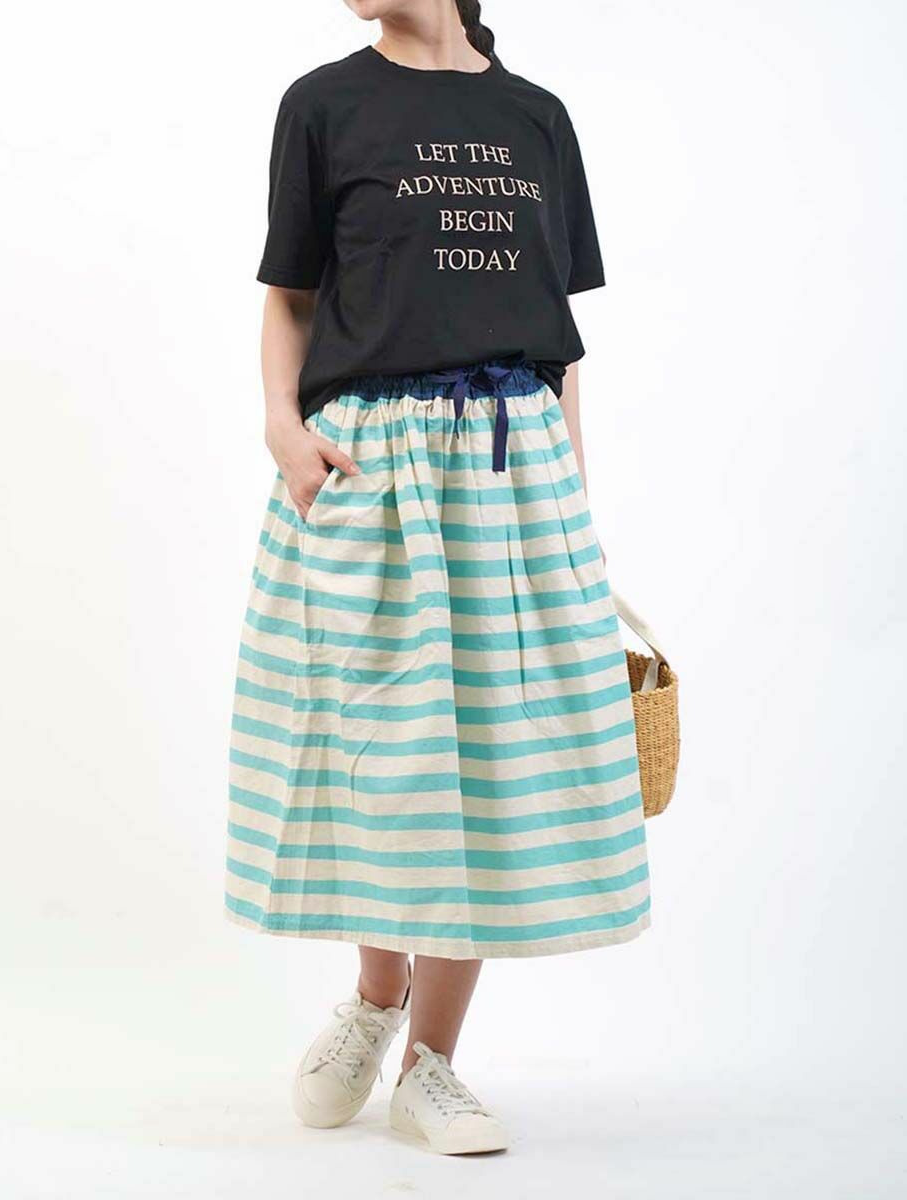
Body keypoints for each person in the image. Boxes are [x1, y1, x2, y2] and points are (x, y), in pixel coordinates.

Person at [226, 0, 651, 1155]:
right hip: (370, 465)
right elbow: (290, 291)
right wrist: (282, 429)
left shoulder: (535, 118)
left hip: (513, 473)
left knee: (485, 761)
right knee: (383, 750)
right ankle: (376, 996)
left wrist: (573, 505)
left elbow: (557, 341)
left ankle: (431, 1065)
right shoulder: (323, 104)